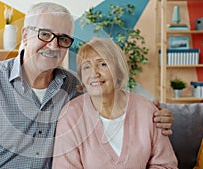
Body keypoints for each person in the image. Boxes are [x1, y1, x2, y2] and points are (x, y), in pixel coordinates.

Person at [0, 2, 174, 168]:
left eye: (63, 39)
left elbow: (115, 102)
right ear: (25, 35)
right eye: (45, 35)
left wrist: (156, 115)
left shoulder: (74, 86)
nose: (54, 45)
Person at [52, 38, 178, 168]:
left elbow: (166, 165)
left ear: (119, 71)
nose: (94, 73)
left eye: (102, 64)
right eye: (87, 66)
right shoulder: (71, 115)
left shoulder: (146, 110)